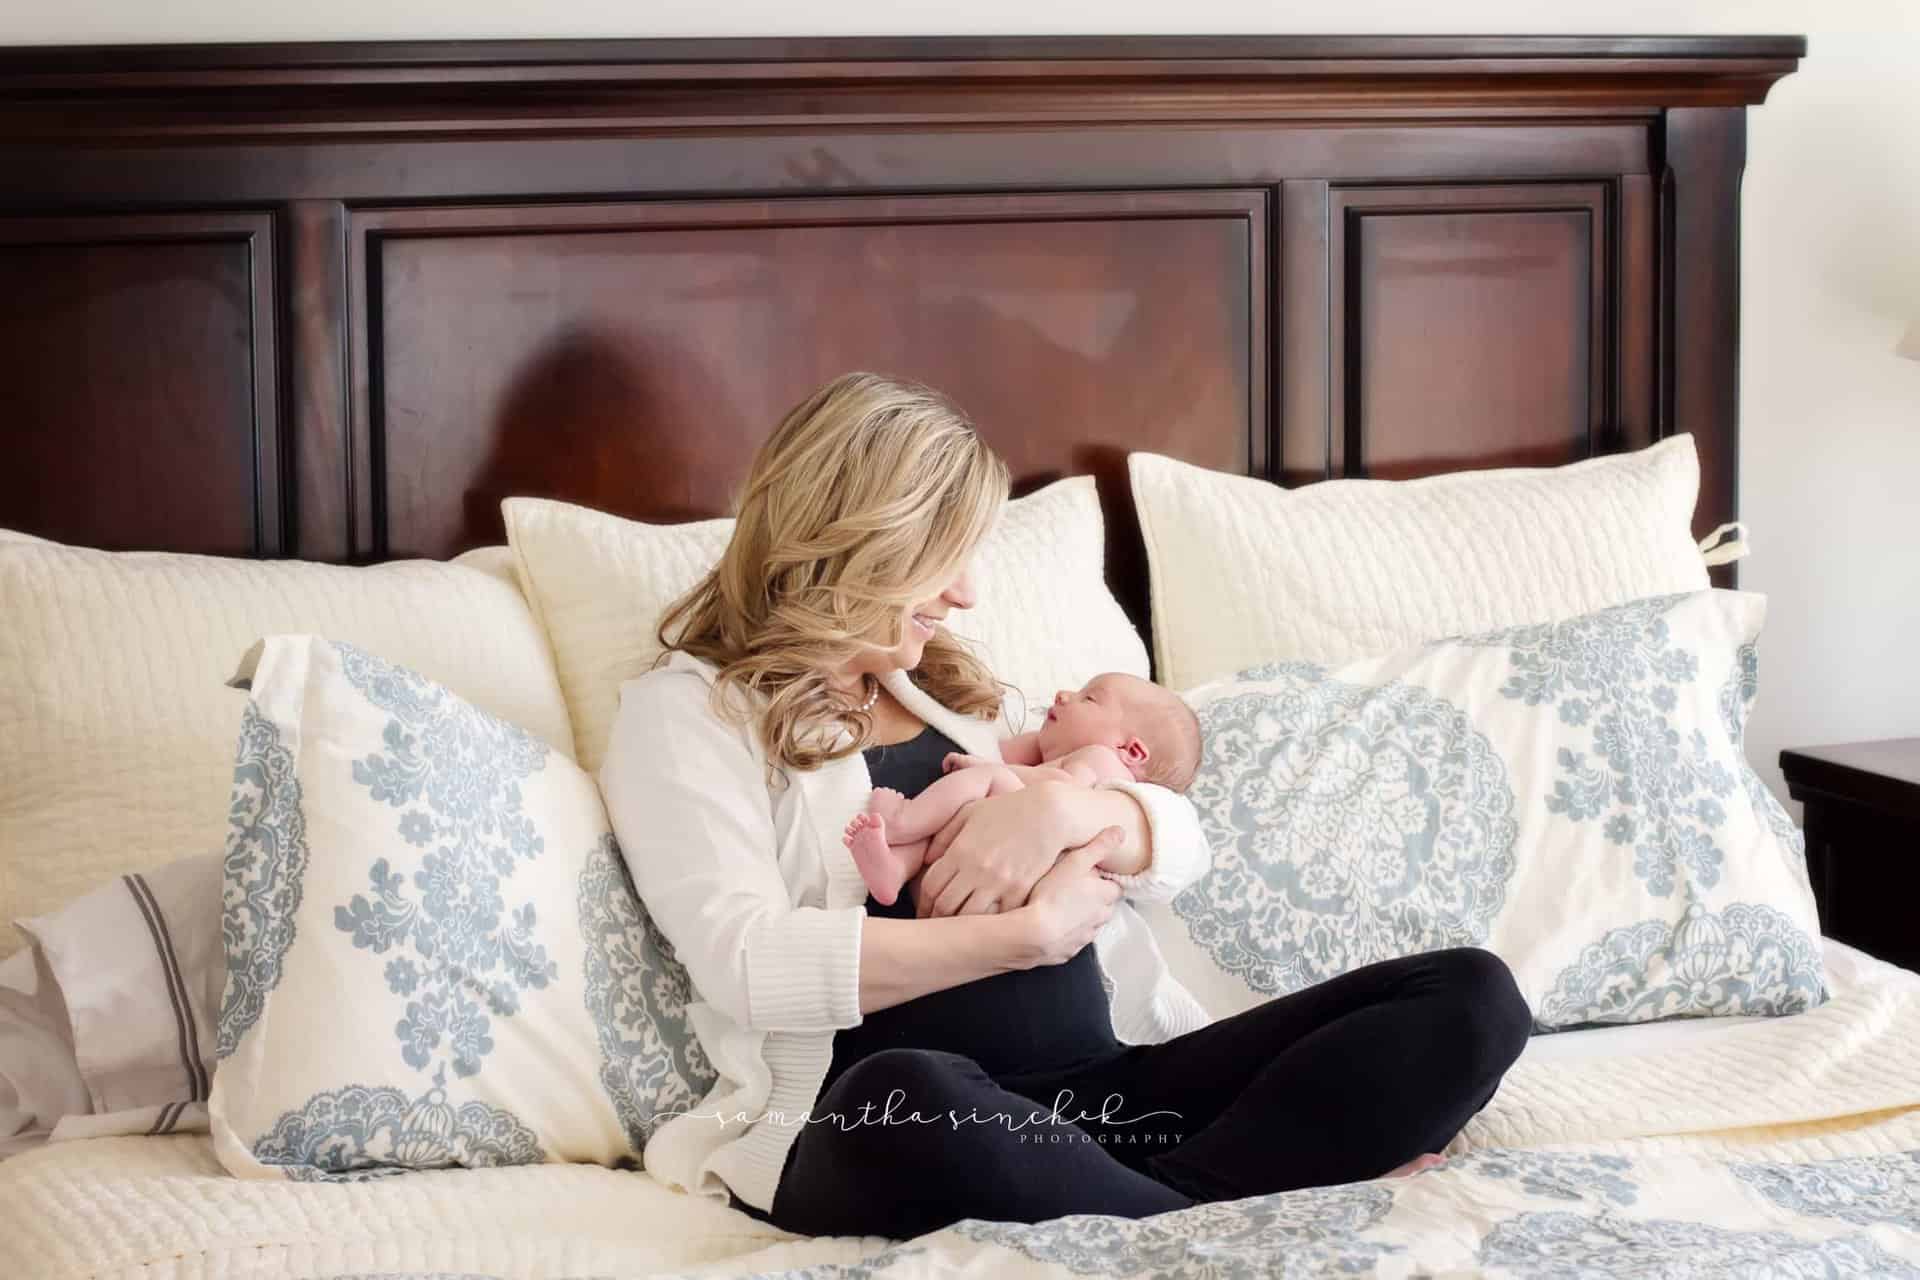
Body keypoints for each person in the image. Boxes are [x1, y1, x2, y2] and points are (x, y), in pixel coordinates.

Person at [597, 371, 1533, 1241]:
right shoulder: (691, 712)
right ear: (859, 546)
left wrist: (1076, 817)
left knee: (1470, 998)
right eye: (942, 562)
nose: (965, 595)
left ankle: (1165, 1206)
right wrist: (1024, 938)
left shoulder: (963, 697)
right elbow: (747, 961)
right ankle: (1236, 1207)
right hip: (892, 1116)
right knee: (911, 1094)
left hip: (1109, 1101)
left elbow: (1176, 835)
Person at [845, 671, 1202, 907]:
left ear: (1131, 750)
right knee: (959, 810)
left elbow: (1062, 788)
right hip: (997, 877)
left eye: (1089, 699)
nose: (1064, 694)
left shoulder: (1104, 761)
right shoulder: (1050, 748)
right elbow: (993, 748)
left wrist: (991, 770)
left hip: (1034, 872)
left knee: (984, 781)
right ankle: (895, 868)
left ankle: (902, 821)